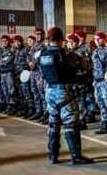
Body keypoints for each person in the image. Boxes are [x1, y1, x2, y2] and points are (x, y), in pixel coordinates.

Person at [38, 26, 93, 165]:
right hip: (64, 91)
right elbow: (86, 66)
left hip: (49, 91)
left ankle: (52, 155)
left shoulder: (43, 54)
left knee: (53, 123)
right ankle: (76, 156)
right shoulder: (66, 54)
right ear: (60, 40)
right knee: (70, 123)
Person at [91, 31, 107, 136]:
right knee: (100, 103)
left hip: (105, 81)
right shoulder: (95, 51)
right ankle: (104, 124)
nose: (96, 41)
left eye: (98, 39)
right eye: (95, 39)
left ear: (103, 40)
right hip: (97, 81)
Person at [27, 27, 48, 122]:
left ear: (43, 35)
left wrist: (34, 62)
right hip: (33, 72)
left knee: (43, 93)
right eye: (37, 34)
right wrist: (29, 63)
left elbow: (44, 57)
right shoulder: (34, 46)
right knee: (35, 93)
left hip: (41, 72)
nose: (38, 36)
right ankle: (38, 111)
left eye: (40, 34)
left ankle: (46, 112)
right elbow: (28, 56)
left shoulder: (45, 45)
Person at [0, 35, 17, 115]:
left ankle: (13, 107)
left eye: (6, 40)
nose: (4, 42)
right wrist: (2, 61)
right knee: (5, 90)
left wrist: (2, 62)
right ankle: (8, 106)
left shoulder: (12, 49)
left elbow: (9, 60)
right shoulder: (1, 50)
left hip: (9, 72)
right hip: (2, 73)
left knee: (11, 90)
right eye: (2, 41)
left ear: (9, 41)